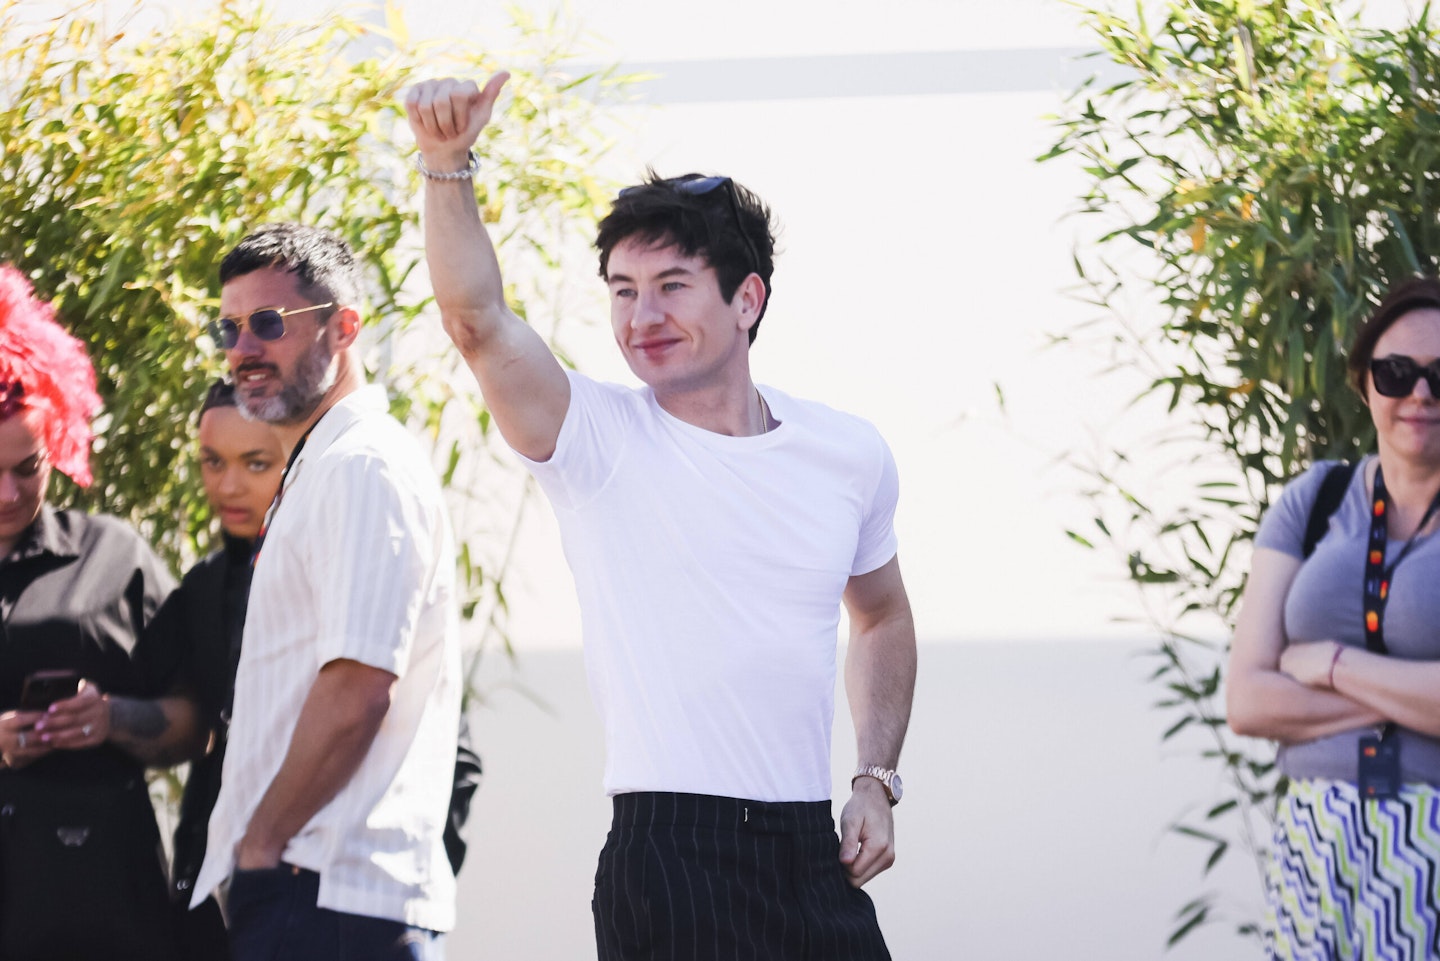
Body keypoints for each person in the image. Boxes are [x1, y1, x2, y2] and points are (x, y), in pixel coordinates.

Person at [405, 75, 917, 959]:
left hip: (812, 855)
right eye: (622, 289)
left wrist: (874, 778)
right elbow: (476, 321)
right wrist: (447, 162)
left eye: (672, 286)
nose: (642, 318)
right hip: (670, 852)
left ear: (746, 300)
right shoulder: (594, 436)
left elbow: (882, 614)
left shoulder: (848, 452)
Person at [187, 225, 463, 961]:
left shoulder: (362, 467)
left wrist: (262, 841)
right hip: (308, 890)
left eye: (269, 323)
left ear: (344, 328)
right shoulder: (324, 465)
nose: (243, 347)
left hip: (325, 893)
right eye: (231, 327)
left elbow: (359, 685)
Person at [1228, 275, 1440, 960]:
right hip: (1312, 835)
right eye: (1396, 372)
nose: (1420, 395)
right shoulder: (1313, 498)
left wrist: (1331, 666)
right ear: (1363, 382)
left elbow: (1281, 686)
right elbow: (1247, 699)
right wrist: (1411, 697)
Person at [0, 264, 199, 960]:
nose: (8, 493)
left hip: (108, 912)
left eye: (28, 466)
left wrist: (114, 716)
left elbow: (196, 723)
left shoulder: (113, 555)